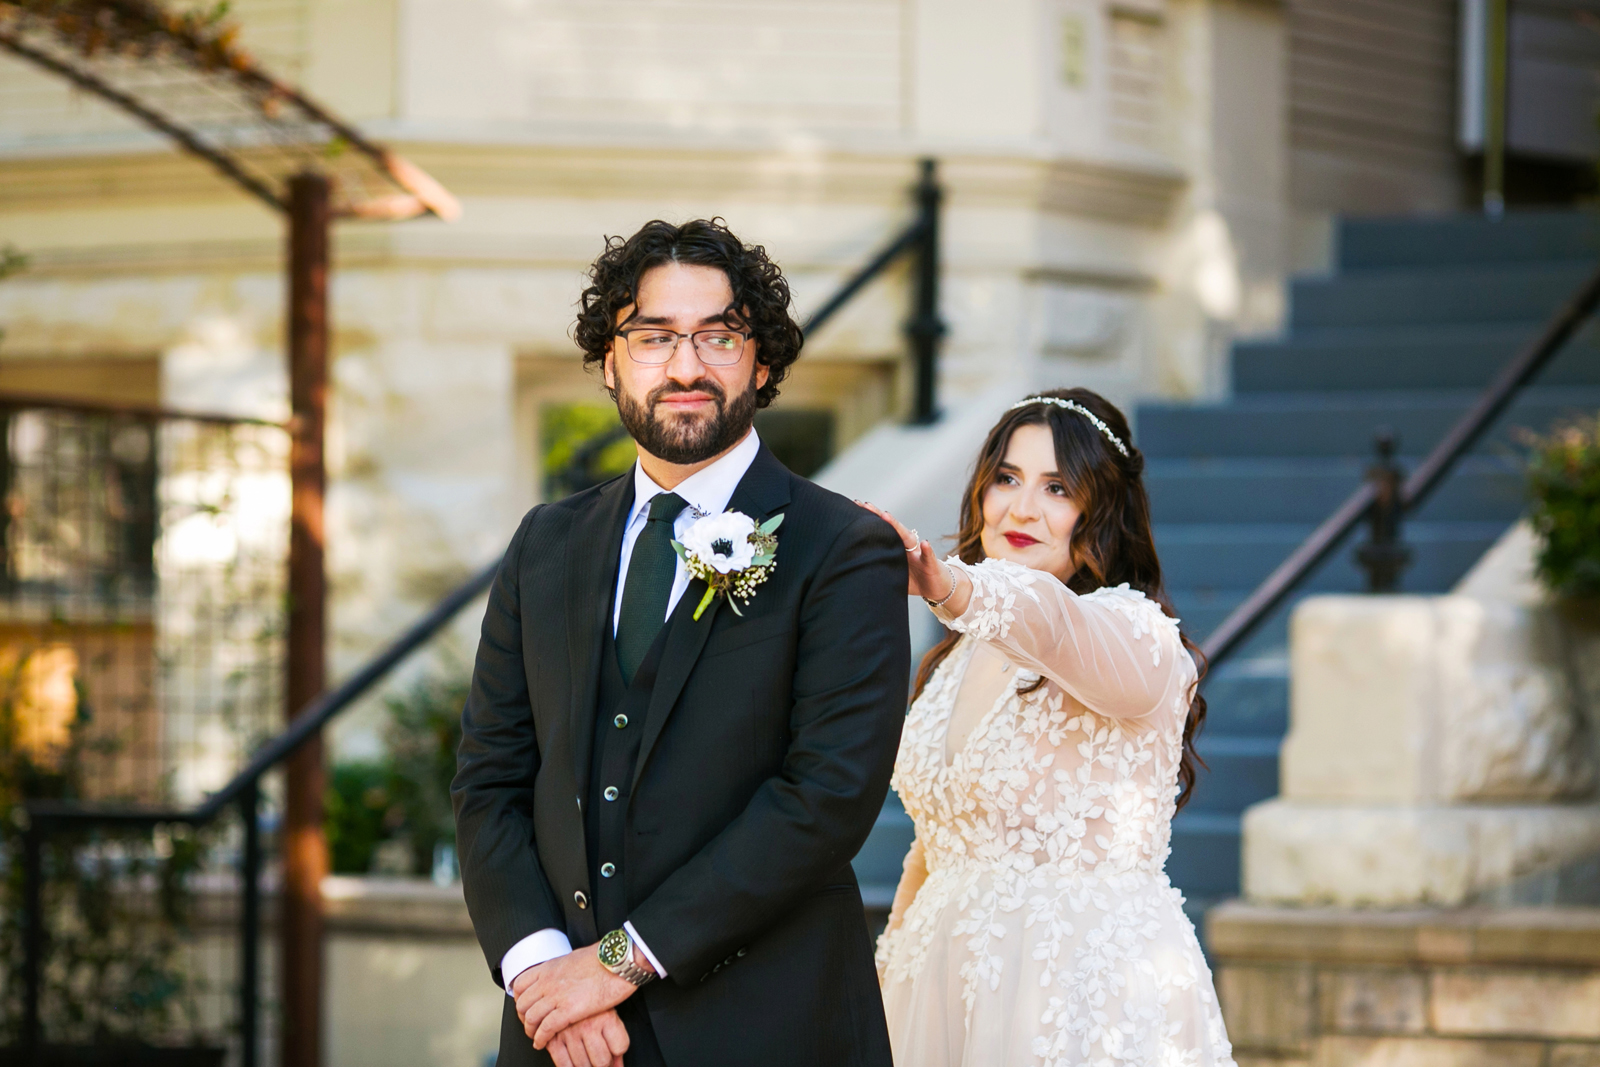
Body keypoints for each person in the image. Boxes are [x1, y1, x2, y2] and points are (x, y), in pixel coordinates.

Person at [452, 218, 909, 1067]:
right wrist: (544, 972)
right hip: (564, 1037)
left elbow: (827, 796)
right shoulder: (544, 544)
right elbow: (490, 783)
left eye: (719, 336)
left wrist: (614, 965)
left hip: (765, 1029)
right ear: (610, 361)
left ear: (761, 362)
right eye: (654, 336)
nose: (686, 366)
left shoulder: (844, 548)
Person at [863, 388, 1235, 1067]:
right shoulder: (956, 656)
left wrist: (951, 586)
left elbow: (1054, 622)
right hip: (939, 989)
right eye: (1006, 478)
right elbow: (937, 841)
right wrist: (884, 977)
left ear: (1102, 511)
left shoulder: (1135, 634)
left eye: (1057, 488)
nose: (1022, 508)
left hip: (1077, 995)